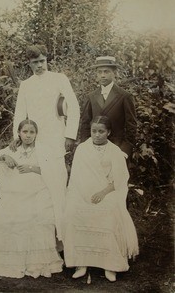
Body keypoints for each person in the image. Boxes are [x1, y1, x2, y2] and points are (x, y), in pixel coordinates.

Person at [0, 119, 64, 278]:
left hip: (38, 191)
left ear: (36, 134)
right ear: (18, 133)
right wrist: (4, 156)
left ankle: (36, 261)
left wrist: (33, 168)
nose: (28, 135)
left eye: (32, 132)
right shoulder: (13, 149)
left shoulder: (43, 150)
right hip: (16, 192)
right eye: (25, 132)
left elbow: (55, 170)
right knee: (7, 214)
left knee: (37, 215)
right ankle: (9, 260)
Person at [63, 116, 139, 282]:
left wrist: (102, 193)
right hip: (83, 192)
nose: (96, 135)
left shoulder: (114, 151)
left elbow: (118, 179)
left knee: (109, 212)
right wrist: (83, 194)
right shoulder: (82, 149)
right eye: (93, 131)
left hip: (106, 191)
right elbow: (76, 177)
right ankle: (80, 263)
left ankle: (109, 264)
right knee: (75, 211)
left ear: (108, 132)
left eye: (101, 131)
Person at [12, 44, 80, 186]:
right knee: (37, 176)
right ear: (29, 64)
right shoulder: (26, 85)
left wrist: (70, 135)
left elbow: (73, 106)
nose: (39, 65)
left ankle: (60, 205)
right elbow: (19, 112)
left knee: (58, 173)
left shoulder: (59, 79)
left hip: (56, 134)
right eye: (35, 62)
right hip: (34, 136)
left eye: (42, 61)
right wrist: (17, 137)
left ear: (47, 60)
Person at [80, 56, 137, 157]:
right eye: (99, 72)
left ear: (114, 73)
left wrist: (125, 150)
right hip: (95, 149)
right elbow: (85, 124)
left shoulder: (124, 96)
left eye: (106, 72)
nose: (102, 75)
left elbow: (131, 126)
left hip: (117, 149)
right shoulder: (91, 97)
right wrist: (86, 148)